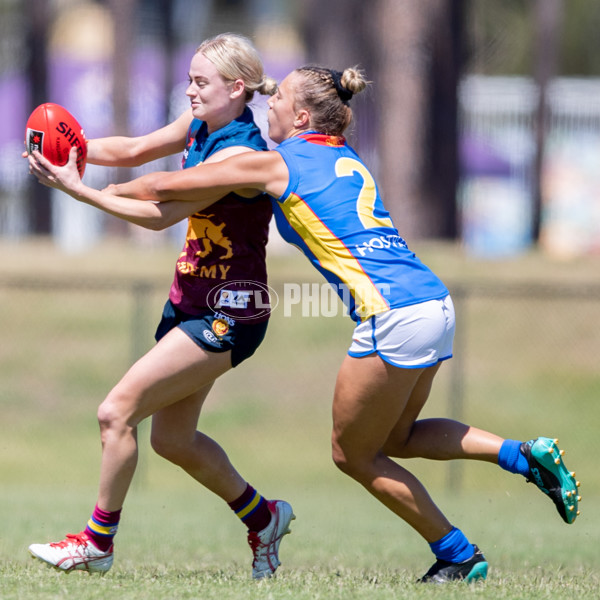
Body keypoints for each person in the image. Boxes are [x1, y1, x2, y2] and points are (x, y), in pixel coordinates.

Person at [29, 64, 582, 583]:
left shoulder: (279, 161)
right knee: (399, 438)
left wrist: (79, 189)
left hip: (390, 313)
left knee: (353, 455)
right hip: (432, 303)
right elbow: (153, 160)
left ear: (299, 119)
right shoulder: (346, 157)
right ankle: (522, 455)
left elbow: (165, 190)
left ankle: (457, 555)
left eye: (280, 97)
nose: (270, 101)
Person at [25, 33, 295, 579]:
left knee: (114, 412)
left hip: (230, 311)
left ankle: (97, 544)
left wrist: (81, 192)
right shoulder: (199, 126)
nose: (189, 91)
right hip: (189, 302)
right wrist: (67, 146)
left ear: (237, 88)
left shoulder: (241, 153)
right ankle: (263, 517)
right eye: (189, 79)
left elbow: (160, 211)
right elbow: (130, 150)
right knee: (172, 439)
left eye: (201, 82)